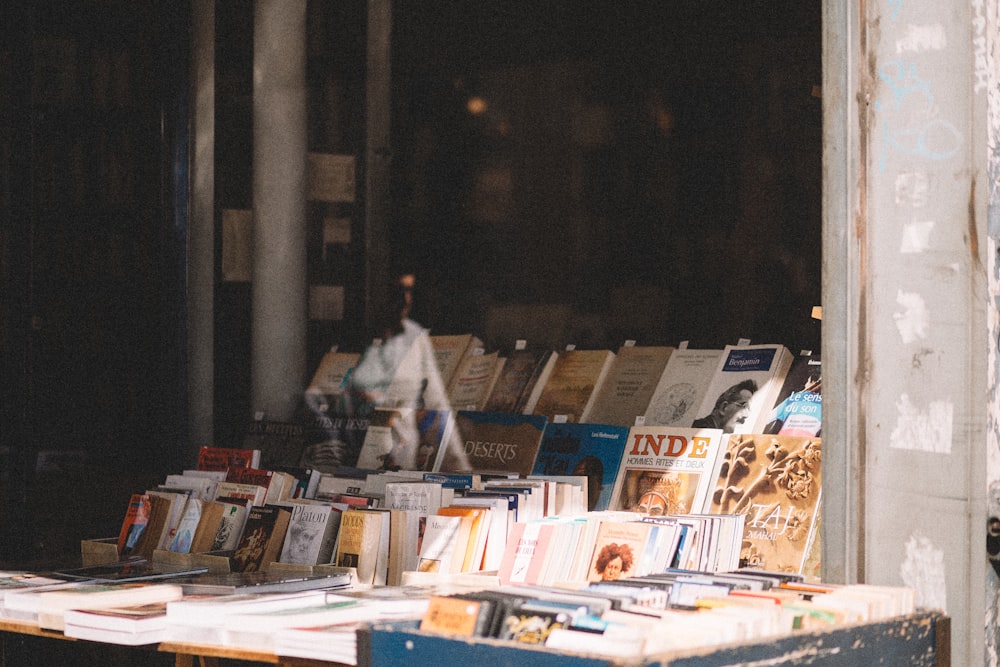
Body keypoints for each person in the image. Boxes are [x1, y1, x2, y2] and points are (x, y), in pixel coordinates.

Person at [692, 379, 758, 433]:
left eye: (748, 408)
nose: (746, 415)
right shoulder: (696, 431)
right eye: (743, 405)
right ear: (723, 408)